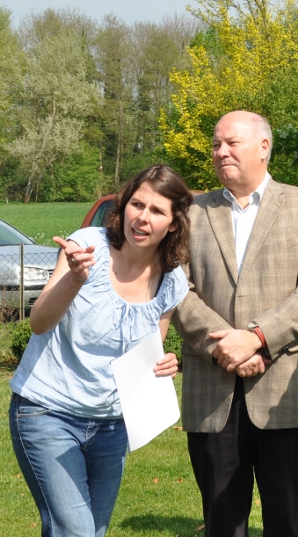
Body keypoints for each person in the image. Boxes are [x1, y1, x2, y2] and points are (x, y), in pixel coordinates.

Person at [173, 110, 298, 537]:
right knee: (222, 521)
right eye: (216, 144)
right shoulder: (191, 212)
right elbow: (177, 289)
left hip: (286, 387)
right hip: (213, 388)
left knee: (287, 519)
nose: (221, 151)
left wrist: (257, 339)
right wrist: (224, 347)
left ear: (265, 148)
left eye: (232, 142)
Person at [8, 165, 192, 537]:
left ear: (173, 224)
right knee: (76, 531)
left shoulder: (172, 282)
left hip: (111, 426)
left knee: (90, 531)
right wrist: (75, 279)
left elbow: (147, 353)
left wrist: (164, 364)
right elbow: (39, 322)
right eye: (136, 204)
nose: (142, 217)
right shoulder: (87, 246)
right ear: (124, 205)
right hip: (48, 412)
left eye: (157, 211)